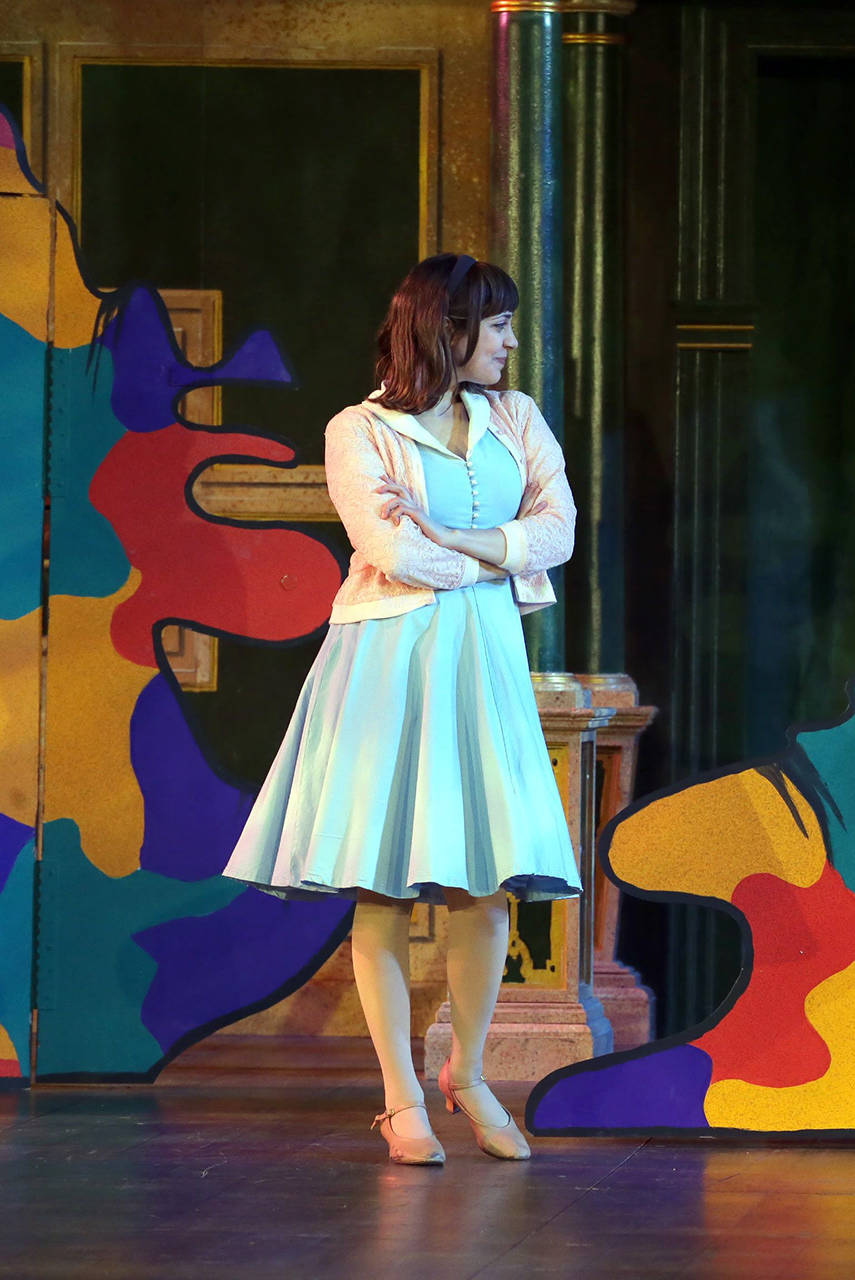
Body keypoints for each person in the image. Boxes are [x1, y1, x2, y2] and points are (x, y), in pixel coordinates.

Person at [224, 253, 579, 1166]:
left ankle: (469, 1071)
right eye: (496, 325)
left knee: (485, 880)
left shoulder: (515, 418)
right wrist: (494, 556)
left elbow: (559, 530)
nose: (509, 342)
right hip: (388, 660)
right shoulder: (360, 429)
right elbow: (388, 548)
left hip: (485, 661)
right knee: (382, 883)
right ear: (448, 330)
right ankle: (399, 1094)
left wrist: (459, 535)